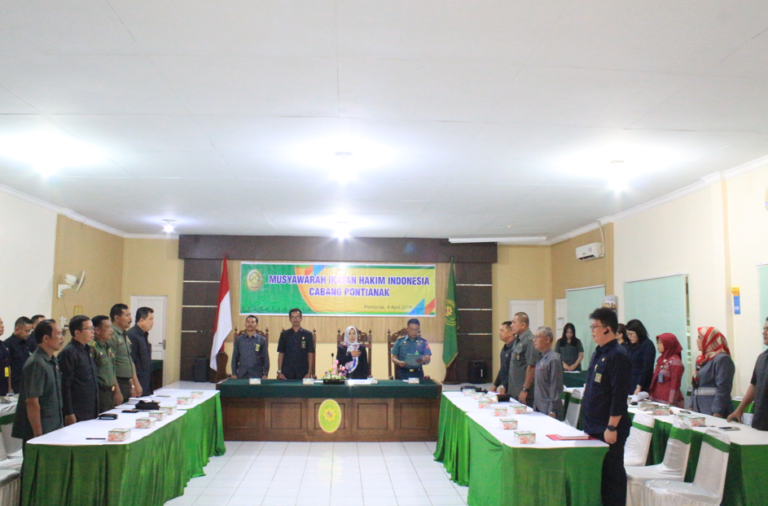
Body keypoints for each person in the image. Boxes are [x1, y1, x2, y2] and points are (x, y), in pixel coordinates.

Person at [582, 307, 631, 506]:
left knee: (612, 476)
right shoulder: (599, 352)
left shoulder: (618, 355)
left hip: (609, 427)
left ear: (607, 329)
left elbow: (619, 395)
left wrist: (612, 426)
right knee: (600, 477)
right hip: (594, 425)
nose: (592, 331)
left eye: (595, 326)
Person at [11, 319, 64, 445]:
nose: (62, 338)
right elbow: (32, 401)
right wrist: (38, 433)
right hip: (41, 427)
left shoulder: (52, 360)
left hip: (54, 424)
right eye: (58, 334)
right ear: (46, 338)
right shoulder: (36, 363)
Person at [728, 318, 768, 429]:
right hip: (760, 419)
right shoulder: (761, 358)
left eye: (767, 329)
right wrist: (739, 410)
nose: (764, 332)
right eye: (764, 329)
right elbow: (754, 386)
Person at [58, 315, 99, 424]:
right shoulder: (69, 353)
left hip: (91, 407)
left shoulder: (87, 350)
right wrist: (69, 412)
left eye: (93, 328)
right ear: (77, 332)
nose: (93, 331)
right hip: (77, 410)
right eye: (89, 329)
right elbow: (65, 385)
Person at [691, 327, 734, 417]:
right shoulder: (701, 360)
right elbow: (695, 386)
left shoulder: (722, 359)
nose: (696, 340)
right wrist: (692, 406)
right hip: (699, 410)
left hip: (713, 411)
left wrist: (717, 412)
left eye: (700, 337)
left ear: (709, 340)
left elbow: (723, 388)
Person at [90, 315, 123, 413]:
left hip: (110, 391)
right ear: (97, 330)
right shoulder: (92, 348)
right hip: (100, 392)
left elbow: (112, 371)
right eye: (108, 327)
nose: (111, 330)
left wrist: (117, 391)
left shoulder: (107, 346)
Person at [507, 312, 540, 407]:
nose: (511, 325)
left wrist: (525, 389)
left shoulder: (529, 341)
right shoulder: (518, 340)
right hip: (514, 390)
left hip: (524, 393)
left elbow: (532, 367)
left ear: (522, 325)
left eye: (514, 322)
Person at [109, 304, 141, 400]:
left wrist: (134, 384)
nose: (130, 319)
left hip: (126, 381)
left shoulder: (124, 334)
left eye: (130, 315)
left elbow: (128, 360)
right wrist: (117, 390)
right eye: (127, 315)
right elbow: (110, 364)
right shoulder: (112, 335)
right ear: (117, 318)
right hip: (118, 382)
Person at [533, 326, 564, 419]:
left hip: (548, 410)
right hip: (538, 407)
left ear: (547, 340)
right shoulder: (540, 357)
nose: (534, 340)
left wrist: (552, 410)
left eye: (537, 337)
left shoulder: (553, 359)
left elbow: (556, 386)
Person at [648, 333, 685, 408]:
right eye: (657, 342)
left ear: (668, 344)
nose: (658, 345)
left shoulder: (675, 362)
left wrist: (671, 403)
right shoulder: (660, 360)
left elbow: (675, 384)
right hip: (657, 400)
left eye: (660, 342)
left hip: (668, 403)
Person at [277, 309, 315, 379]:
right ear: (290, 319)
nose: (295, 319)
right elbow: (281, 353)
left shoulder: (308, 334)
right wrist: (279, 371)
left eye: (297, 317)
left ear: (301, 318)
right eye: (293, 317)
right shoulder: (284, 335)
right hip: (287, 372)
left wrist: (309, 372)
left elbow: (310, 353)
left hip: (303, 372)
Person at [127, 307, 154, 395]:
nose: (152, 322)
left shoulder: (144, 335)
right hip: (138, 381)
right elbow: (131, 361)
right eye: (150, 319)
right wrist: (134, 385)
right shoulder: (132, 335)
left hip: (146, 381)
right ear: (141, 320)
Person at [626, 319, 655, 395]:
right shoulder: (632, 346)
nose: (629, 337)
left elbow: (647, 367)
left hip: (642, 385)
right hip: (631, 383)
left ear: (638, 332)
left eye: (631, 334)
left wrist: (639, 386)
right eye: (628, 334)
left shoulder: (647, 345)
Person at [7, 316, 34, 394]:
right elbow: (7, 368)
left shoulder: (29, 342)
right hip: (15, 385)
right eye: (26, 331)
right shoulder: (8, 344)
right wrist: (9, 388)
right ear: (17, 329)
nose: (28, 334)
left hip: (28, 383)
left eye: (30, 331)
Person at [490, 321, 515, 393]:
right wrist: (496, 384)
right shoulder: (505, 348)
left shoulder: (514, 348)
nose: (499, 333)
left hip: (512, 387)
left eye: (502, 331)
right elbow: (503, 369)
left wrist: (504, 385)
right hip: (505, 386)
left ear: (510, 333)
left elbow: (513, 371)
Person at [0, 317, 9, 395]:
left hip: (3, 387)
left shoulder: (3, 344)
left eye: (2, 323)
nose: (2, 326)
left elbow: (7, 365)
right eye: (0, 324)